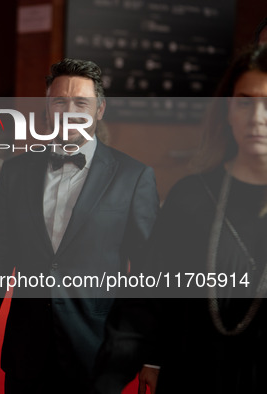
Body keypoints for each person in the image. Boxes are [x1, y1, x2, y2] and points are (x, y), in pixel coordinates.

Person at [0, 58, 159, 393]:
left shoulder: (133, 176)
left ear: (100, 109)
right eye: (59, 101)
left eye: (81, 102)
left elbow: (147, 271)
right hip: (27, 351)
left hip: (96, 351)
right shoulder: (16, 172)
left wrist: (152, 355)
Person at [94, 44, 267, 393]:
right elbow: (143, 305)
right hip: (193, 378)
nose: (257, 117)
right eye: (245, 101)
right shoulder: (191, 197)